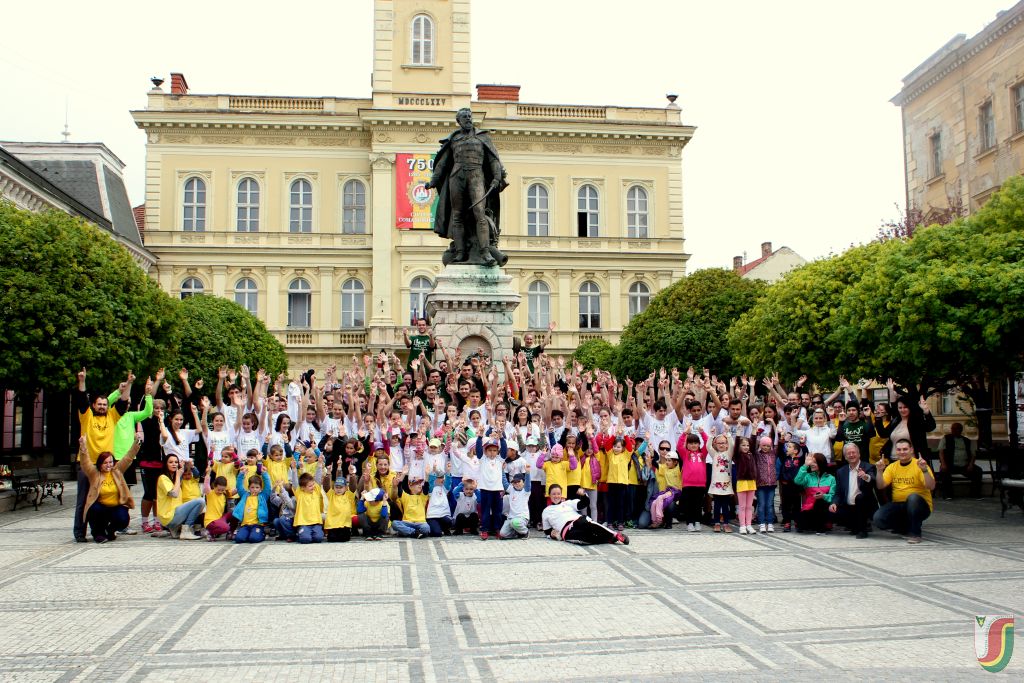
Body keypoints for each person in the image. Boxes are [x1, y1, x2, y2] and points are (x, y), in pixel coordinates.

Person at [424, 107, 509, 266]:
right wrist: (433, 182)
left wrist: (497, 177)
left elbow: (493, 160)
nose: (469, 119)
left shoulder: (482, 137)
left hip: (476, 175)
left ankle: (485, 252)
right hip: (457, 176)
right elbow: (442, 164)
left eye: (470, 116)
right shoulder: (454, 139)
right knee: (457, 215)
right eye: (465, 117)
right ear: (458, 121)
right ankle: (460, 252)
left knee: (479, 213)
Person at [74, 367, 128, 542]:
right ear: (94, 405)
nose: (103, 407)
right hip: (87, 465)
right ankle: (79, 532)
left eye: (105, 404)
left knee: (102, 500)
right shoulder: (87, 416)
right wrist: (82, 381)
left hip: (106, 467)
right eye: (99, 404)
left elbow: (122, 403)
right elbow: (81, 400)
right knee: (84, 500)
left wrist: (129, 384)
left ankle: (101, 530)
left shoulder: (112, 417)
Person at [77, 436, 140, 543]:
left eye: (110, 462)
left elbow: (128, 457)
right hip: (101, 507)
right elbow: (85, 462)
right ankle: (98, 533)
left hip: (116, 506)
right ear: (100, 464)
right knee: (94, 509)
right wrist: (83, 446)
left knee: (123, 519)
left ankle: (109, 531)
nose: (108, 465)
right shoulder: (94, 473)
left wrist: (136, 443)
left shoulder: (117, 470)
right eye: (105, 463)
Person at [873, 438, 936, 544]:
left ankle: (915, 533)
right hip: (900, 505)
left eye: (905, 449)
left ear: (911, 450)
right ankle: (904, 527)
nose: (902, 452)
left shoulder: (920, 465)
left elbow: (931, 486)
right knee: (878, 518)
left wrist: (924, 470)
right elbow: (880, 486)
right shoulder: (892, 466)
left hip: (919, 506)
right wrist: (879, 471)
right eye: (899, 449)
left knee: (913, 498)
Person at [541, 484, 628, 545]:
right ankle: (609, 539)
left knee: (585, 522)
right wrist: (551, 535)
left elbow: (584, 503)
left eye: (558, 494)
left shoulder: (568, 503)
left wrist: (583, 495)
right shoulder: (546, 511)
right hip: (566, 531)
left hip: (578, 521)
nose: (556, 496)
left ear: (561, 494)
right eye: (553, 494)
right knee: (584, 539)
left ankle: (615, 535)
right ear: (549, 495)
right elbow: (547, 531)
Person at [831, 443, 878, 538]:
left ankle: (863, 530)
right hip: (848, 506)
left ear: (859, 454)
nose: (851, 455)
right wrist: (834, 503)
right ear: (845, 457)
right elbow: (838, 492)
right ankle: (853, 525)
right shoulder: (841, 471)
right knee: (831, 511)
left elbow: (872, 479)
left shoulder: (868, 467)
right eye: (848, 453)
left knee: (860, 497)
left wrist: (865, 476)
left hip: (864, 505)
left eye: (853, 452)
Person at [156, 454, 207, 540]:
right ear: (165, 464)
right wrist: (178, 475)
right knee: (200, 501)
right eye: (170, 462)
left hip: (175, 513)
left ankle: (175, 529)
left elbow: (197, 474)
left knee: (199, 505)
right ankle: (186, 531)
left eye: (176, 462)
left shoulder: (174, 478)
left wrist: (188, 466)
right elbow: (174, 494)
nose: (174, 464)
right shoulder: (163, 478)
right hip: (168, 516)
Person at [938, 422, 982, 500]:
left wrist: (971, 464)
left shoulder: (967, 440)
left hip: (964, 465)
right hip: (950, 464)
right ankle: (948, 494)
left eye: (956, 429)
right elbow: (941, 452)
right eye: (953, 429)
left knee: (978, 471)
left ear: (961, 430)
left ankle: (975, 493)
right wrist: (943, 464)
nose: (954, 430)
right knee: (944, 472)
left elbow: (973, 454)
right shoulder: (946, 438)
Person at [793, 453, 835, 533]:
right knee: (801, 524)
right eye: (811, 462)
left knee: (820, 501)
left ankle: (822, 525)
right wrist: (805, 465)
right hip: (809, 508)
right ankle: (815, 525)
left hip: (824, 509)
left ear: (821, 463)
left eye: (814, 462)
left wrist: (823, 496)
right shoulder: (808, 476)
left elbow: (833, 496)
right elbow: (797, 481)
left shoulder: (831, 478)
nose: (812, 464)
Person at [233, 466, 273, 543]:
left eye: (257, 487)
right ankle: (247, 534)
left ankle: (262, 534)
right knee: (239, 539)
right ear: (249, 487)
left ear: (261, 488)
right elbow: (239, 486)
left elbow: (268, 487)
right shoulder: (245, 495)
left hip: (257, 525)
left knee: (254, 539)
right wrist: (241, 474)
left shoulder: (263, 496)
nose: (255, 489)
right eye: (252, 487)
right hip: (245, 525)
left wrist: (264, 473)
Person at [499, 473, 531, 539]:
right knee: (502, 534)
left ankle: (525, 532)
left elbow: (528, 483)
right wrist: (502, 470)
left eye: (519, 481)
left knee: (515, 522)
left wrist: (527, 472)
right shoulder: (511, 489)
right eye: (515, 482)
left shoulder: (526, 491)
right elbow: (504, 482)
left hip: (522, 517)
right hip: (511, 518)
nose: (516, 484)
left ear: (523, 482)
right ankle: (516, 533)